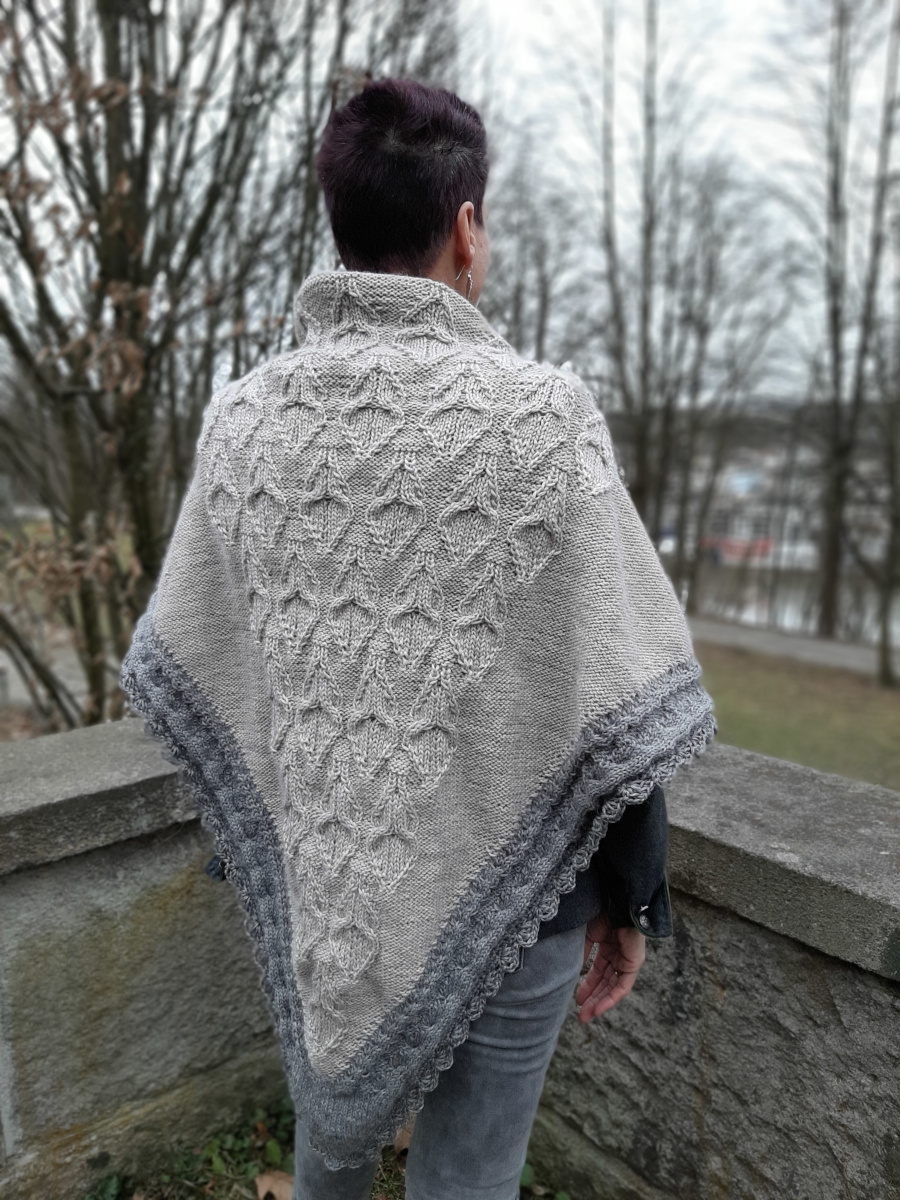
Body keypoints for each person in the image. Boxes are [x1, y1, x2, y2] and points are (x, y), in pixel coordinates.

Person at [120, 77, 715, 1200]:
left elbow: (218, 661)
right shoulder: (544, 425)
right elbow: (614, 692)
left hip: (325, 895)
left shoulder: (245, 423)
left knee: (328, 1156)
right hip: (526, 903)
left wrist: (286, 844)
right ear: (467, 229)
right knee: (469, 1181)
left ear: (339, 226)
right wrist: (634, 896)